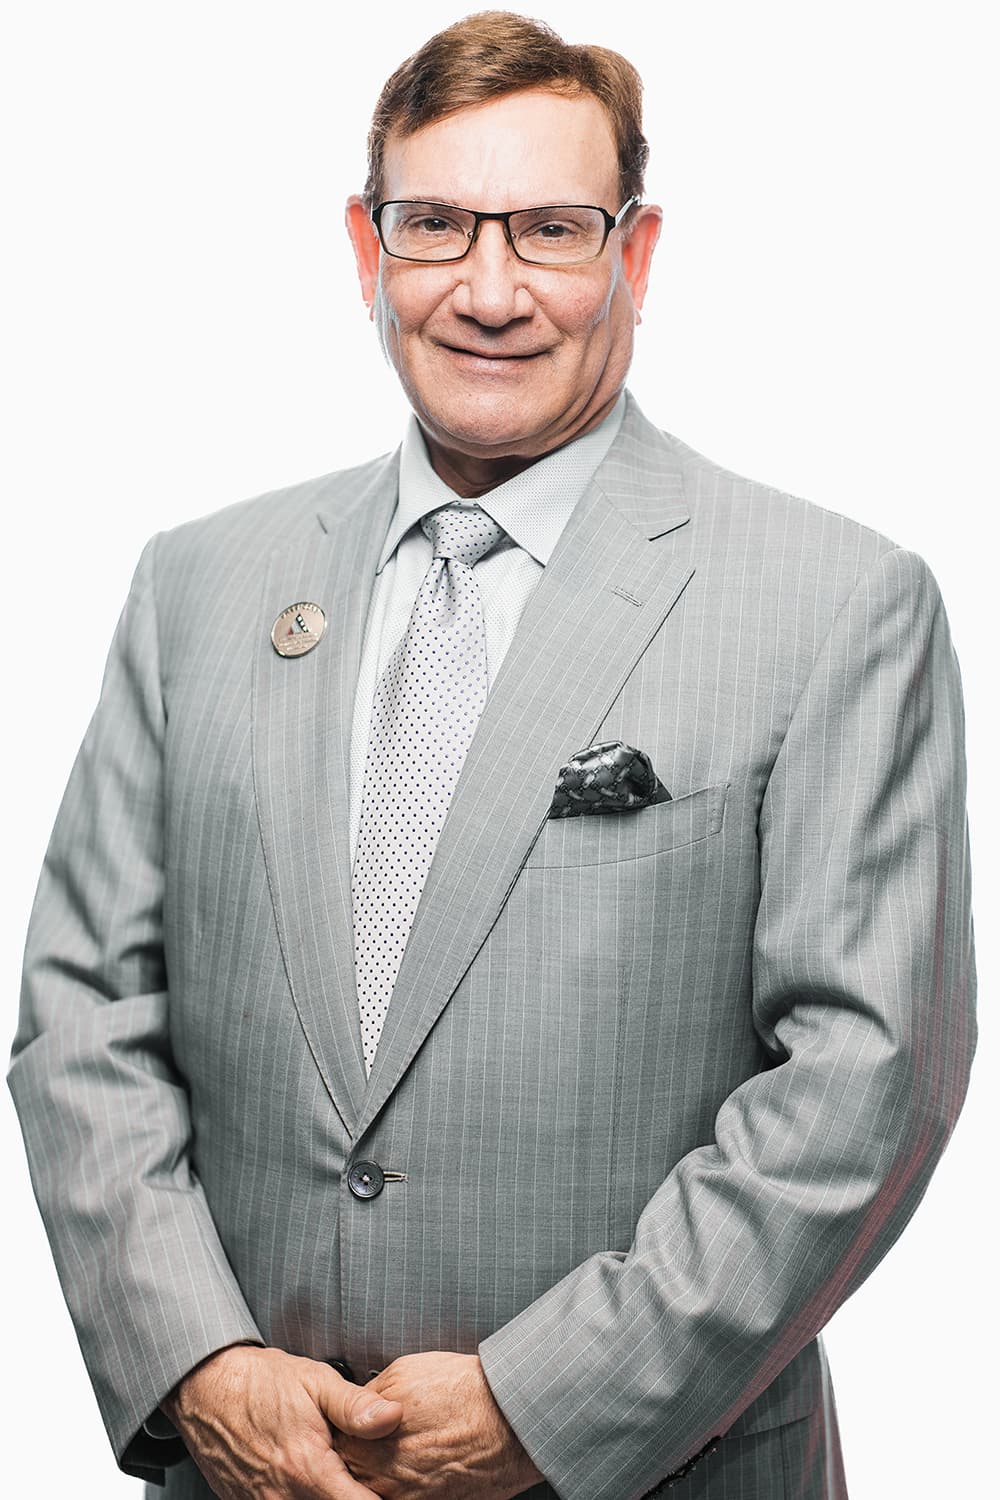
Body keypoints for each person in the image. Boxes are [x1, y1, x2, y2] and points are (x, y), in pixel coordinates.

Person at [8, 11, 976, 1499]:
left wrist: (546, 1403)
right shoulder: (195, 584)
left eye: (551, 230)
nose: (490, 290)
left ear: (637, 255)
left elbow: (867, 1081)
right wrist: (195, 1361)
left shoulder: (838, 603)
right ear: (367, 247)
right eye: (438, 225)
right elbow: (86, 1013)